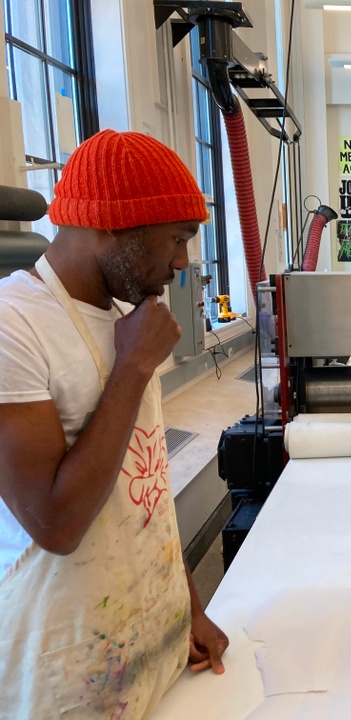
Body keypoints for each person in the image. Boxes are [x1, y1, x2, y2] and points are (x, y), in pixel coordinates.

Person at [0, 129, 229, 717]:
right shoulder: (14, 325)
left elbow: (145, 486)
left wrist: (188, 606)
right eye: (176, 240)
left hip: (154, 642)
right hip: (69, 667)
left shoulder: (129, 316)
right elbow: (56, 524)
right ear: (106, 224)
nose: (183, 263)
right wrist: (132, 366)